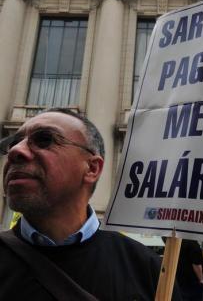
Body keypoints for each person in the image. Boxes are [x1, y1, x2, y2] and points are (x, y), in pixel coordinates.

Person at [0, 108, 181, 300]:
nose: (15, 151)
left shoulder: (147, 268)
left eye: (44, 139)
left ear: (92, 168)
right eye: (13, 143)